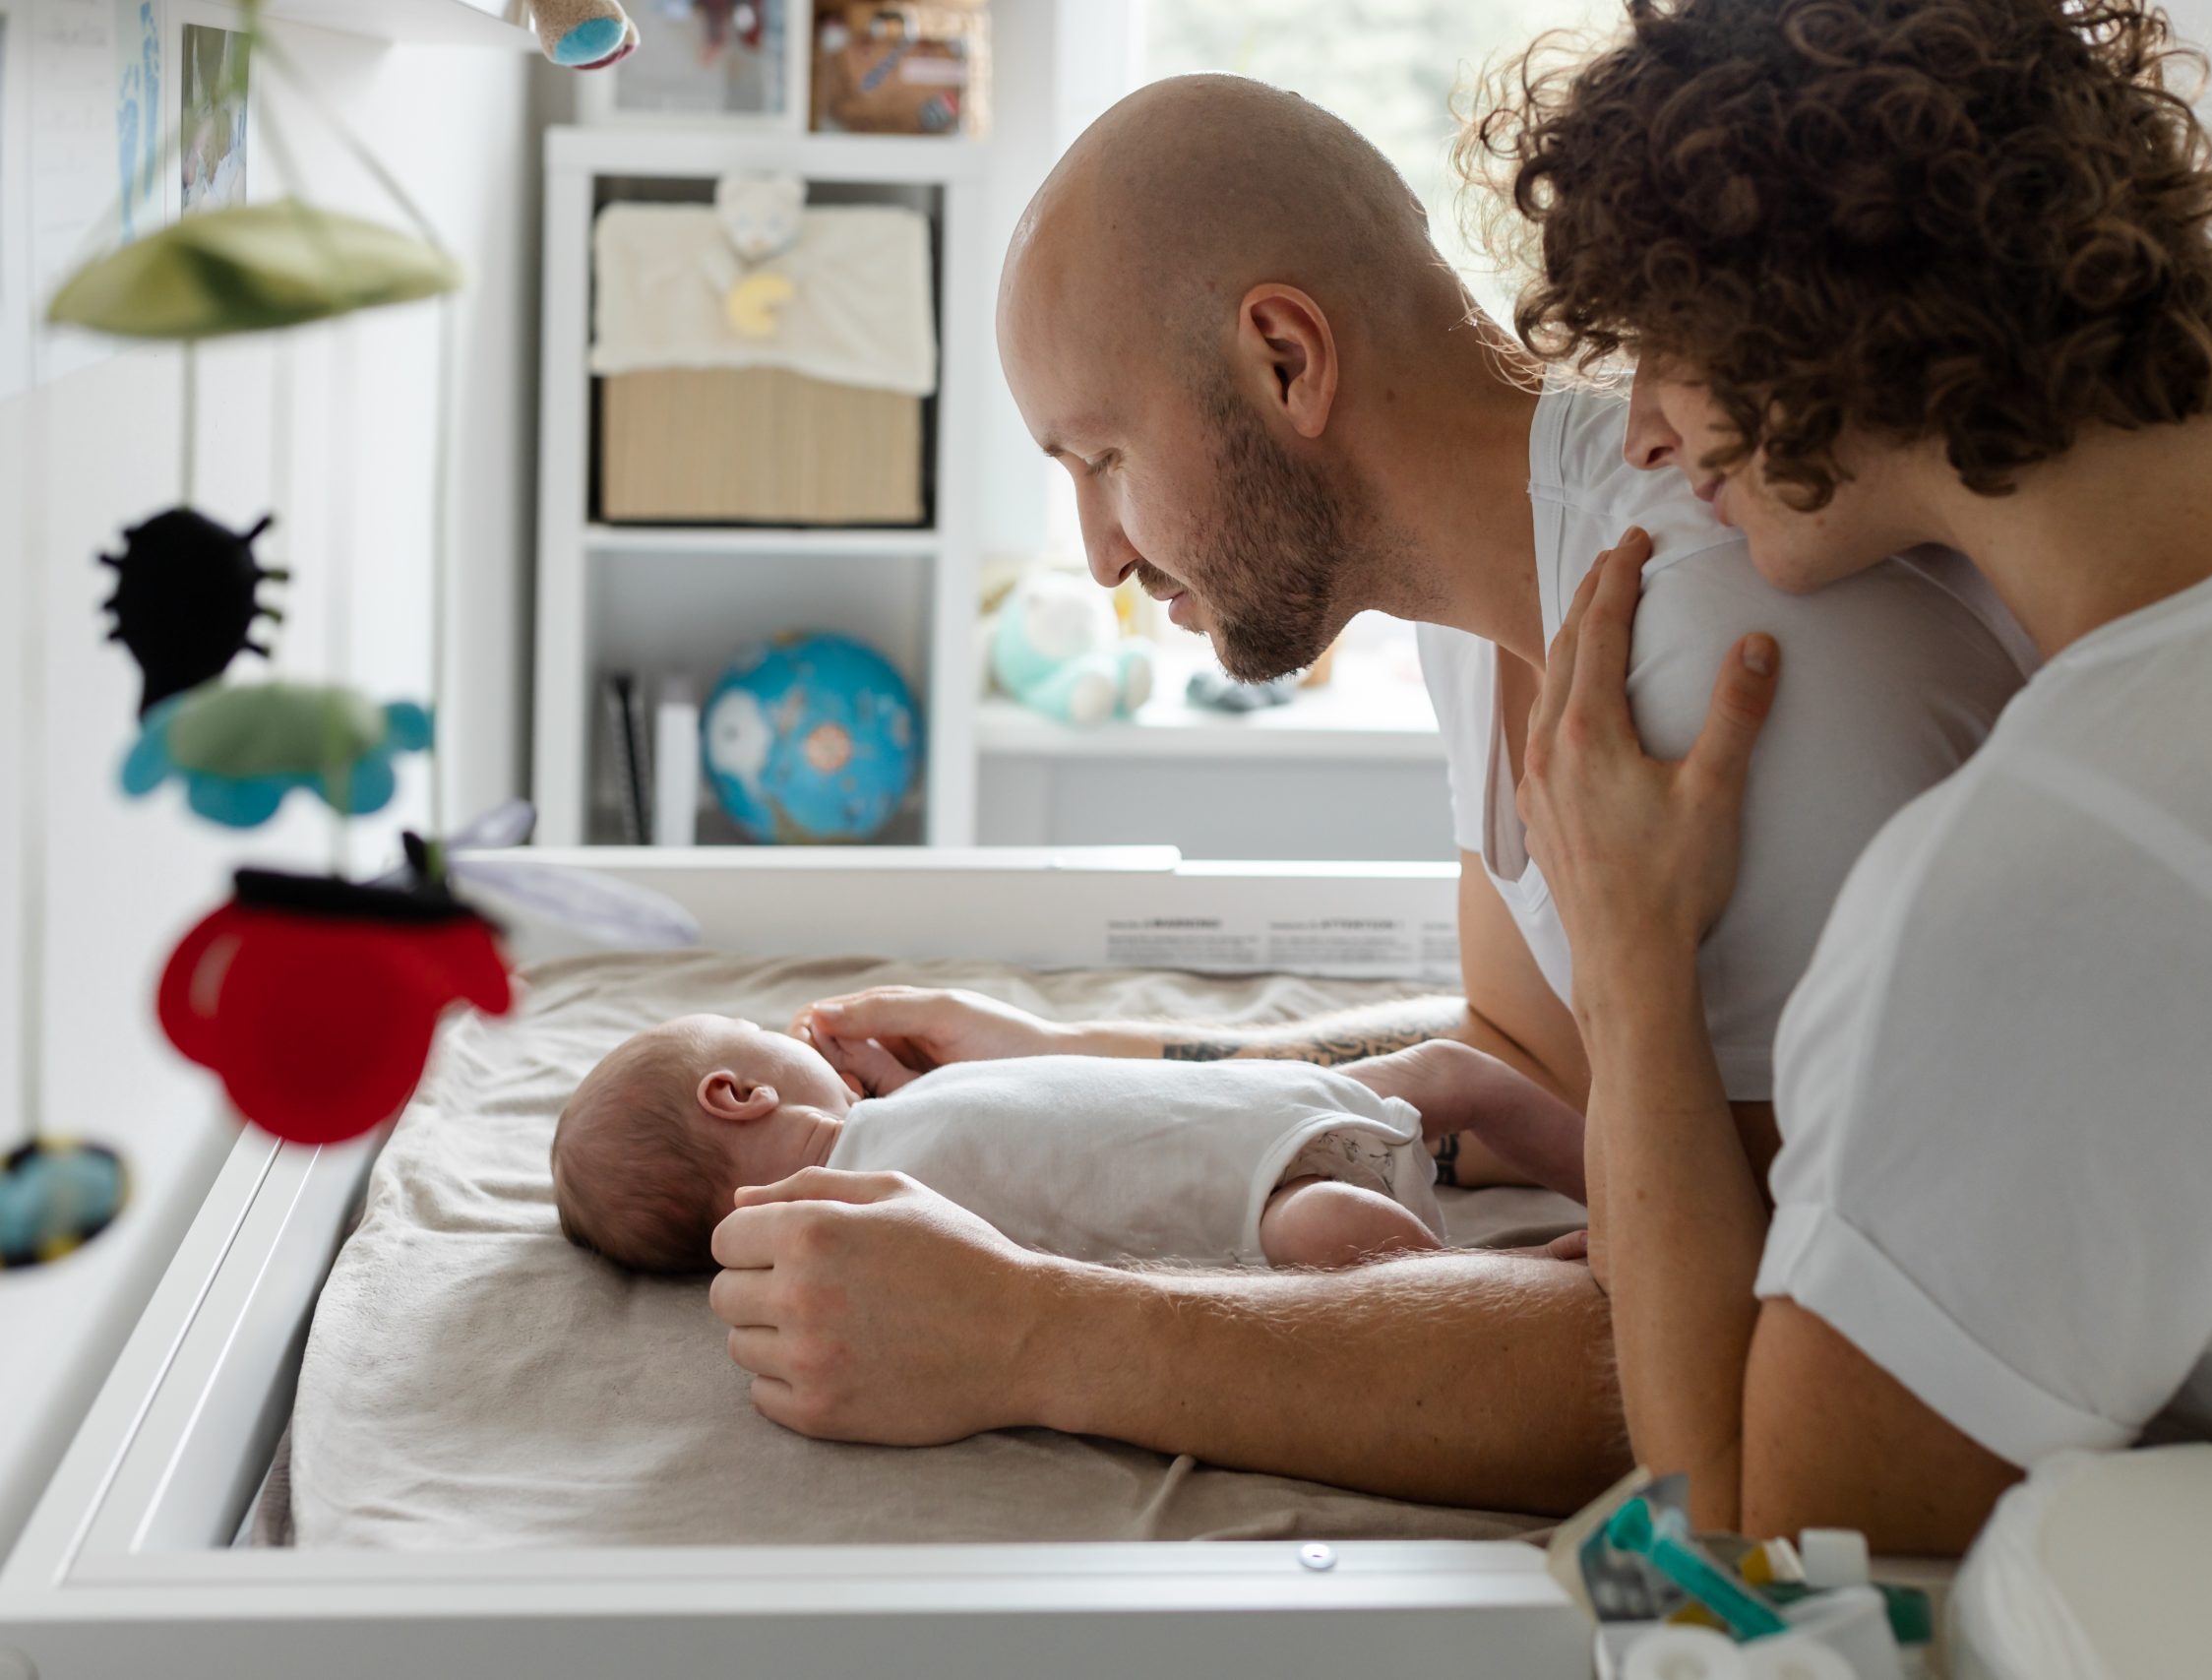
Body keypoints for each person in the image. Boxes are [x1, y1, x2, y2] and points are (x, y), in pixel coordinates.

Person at [704, 72, 2026, 1517]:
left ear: (1286, 360)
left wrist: (1030, 1326)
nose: (1096, 553)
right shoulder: (1500, 595)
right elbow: (1524, 1055)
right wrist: (1091, 1057)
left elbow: (1716, 1364)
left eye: (1102, 458)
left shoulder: (1729, 654)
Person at [1474, 0, 2212, 1555]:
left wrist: (1630, 971)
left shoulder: (2024, 897)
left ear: (1806, 311)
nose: (1639, 432)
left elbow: (1760, 1579)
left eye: (1658, 347)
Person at [551, 1013, 1584, 1274]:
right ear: (734, 1094)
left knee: (1452, 1072)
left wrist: (896, 1078)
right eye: (769, 1041)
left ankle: (1627, 1187)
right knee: (1339, 1235)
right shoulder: (850, 1204)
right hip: (1248, 1200)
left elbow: (1008, 1108)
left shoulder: (884, 1121)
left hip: (1274, 1102)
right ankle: (1515, 1280)